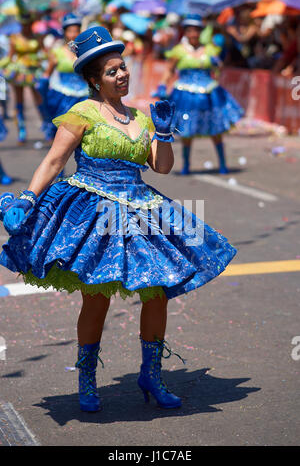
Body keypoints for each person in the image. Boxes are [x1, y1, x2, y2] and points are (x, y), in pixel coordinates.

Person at [0, 26, 237, 413]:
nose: (122, 75)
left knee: (157, 293)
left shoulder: (141, 118)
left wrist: (162, 132)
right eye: (112, 71)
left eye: (123, 68)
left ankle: (151, 375)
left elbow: (161, 168)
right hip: (94, 210)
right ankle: (87, 379)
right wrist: (28, 198)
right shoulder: (83, 113)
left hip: (140, 207)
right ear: (95, 80)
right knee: (97, 297)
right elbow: (55, 161)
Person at [152, 14, 244, 175]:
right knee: (187, 130)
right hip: (186, 95)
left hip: (209, 93)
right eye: (190, 31)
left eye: (197, 30)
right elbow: (169, 70)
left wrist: (218, 64)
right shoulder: (178, 51)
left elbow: (219, 69)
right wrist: (162, 85)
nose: (194, 34)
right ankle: (186, 165)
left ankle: (223, 163)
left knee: (215, 128)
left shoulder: (210, 49)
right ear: (186, 32)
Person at [37, 13, 89, 142]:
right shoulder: (57, 51)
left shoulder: (85, 51)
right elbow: (47, 74)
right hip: (64, 94)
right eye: (70, 31)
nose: (73, 34)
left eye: (76, 30)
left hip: (84, 93)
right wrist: (42, 86)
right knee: (63, 127)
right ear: (65, 32)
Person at [0, 7, 46, 144]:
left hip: (34, 71)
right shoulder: (15, 38)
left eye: (28, 24)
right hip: (20, 72)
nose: (25, 27)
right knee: (19, 102)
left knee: (39, 99)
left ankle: (47, 128)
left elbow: (44, 53)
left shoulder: (37, 37)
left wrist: (44, 58)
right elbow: (9, 56)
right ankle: (21, 131)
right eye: (23, 24)